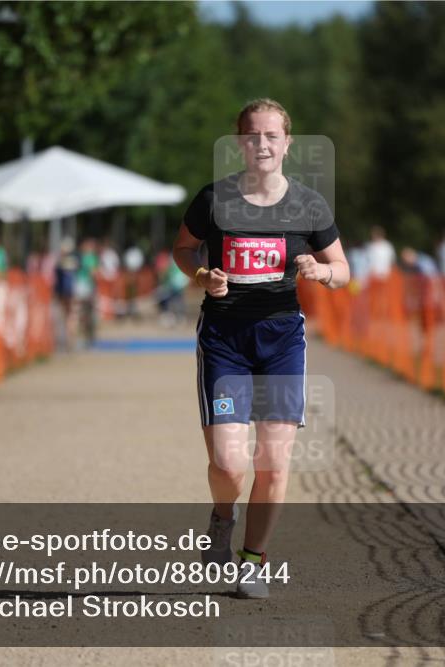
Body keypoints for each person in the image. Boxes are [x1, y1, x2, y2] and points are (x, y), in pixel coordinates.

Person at [172, 98, 349, 599]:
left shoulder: (309, 204)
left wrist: (322, 272)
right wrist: (202, 274)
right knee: (229, 465)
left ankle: (253, 560)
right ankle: (222, 519)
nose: (262, 144)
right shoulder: (213, 200)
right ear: (239, 143)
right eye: (252, 136)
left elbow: (343, 269)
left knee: (273, 461)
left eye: (272, 136)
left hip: (281, 342)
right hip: (225, 341)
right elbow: (183, 249)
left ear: (287, 144)